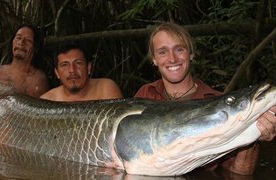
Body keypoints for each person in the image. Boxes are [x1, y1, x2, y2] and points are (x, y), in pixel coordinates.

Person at [135, 22, 276, 175]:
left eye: (179, 49)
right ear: (154, 60)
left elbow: (240, 174)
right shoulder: (146, 94)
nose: (172, 58)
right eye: (162, 52)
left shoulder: (219, 104)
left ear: (191, 54)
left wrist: (253, 134)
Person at [40, 43, 123, 101]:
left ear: (88, 68)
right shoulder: (47, 101)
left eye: (78, 63)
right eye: (65, 65)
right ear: (57, 73)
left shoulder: (105, 89)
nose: (72, 70)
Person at [0, 24, 49, 97]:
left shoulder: (39, 80)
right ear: (12, 42)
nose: (21, 43)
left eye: (28, 40)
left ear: (35, 48)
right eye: (18, 38)